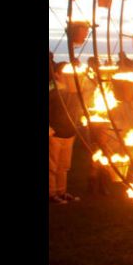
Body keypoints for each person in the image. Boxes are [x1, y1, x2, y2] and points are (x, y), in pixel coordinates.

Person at [49, 60, 81, 204]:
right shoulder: (52, 91)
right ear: (56, 75)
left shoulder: (72, 91)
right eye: (65, 72)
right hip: (55, 133)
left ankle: (61, 191)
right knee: (52, 166)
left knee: (64, 166)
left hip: (69, 132)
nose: (69, 75)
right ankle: (51, 193)